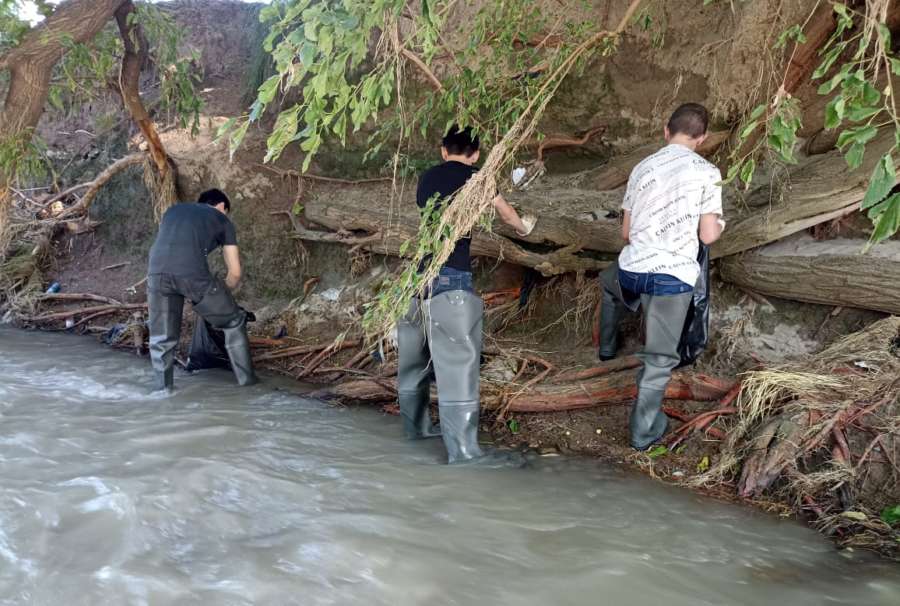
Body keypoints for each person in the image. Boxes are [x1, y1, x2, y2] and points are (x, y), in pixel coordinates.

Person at [397, 125, 537, 463]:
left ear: (443, 151)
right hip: (451, 280)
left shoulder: (427, 178)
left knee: (414, 361)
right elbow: (506, 214)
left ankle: (416, 432)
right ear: (475, 155)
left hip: (417, 280)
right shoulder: (477, 179)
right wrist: (524, 227)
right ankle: (463, 455)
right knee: (458, 366)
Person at [598, 103, 725, 450]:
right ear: (702, 138)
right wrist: (718, 223)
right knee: (658, 361)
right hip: (670, 281)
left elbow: (626, 233)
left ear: (666, 132)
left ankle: (607, 349)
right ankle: (644, 432)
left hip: (631, 272)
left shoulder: (642, 167)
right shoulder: (708, 172)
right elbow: (709, 236)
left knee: (608, 284)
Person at [147, 188, 257, 392]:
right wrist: (223, 295)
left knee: (162, 339)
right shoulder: (222, 220)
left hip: (156, 273)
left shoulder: (173, 211)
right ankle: (248, 385)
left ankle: (163, 392)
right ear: (222, 206)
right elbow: (235, 273)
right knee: (233, 322)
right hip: (192, 274)